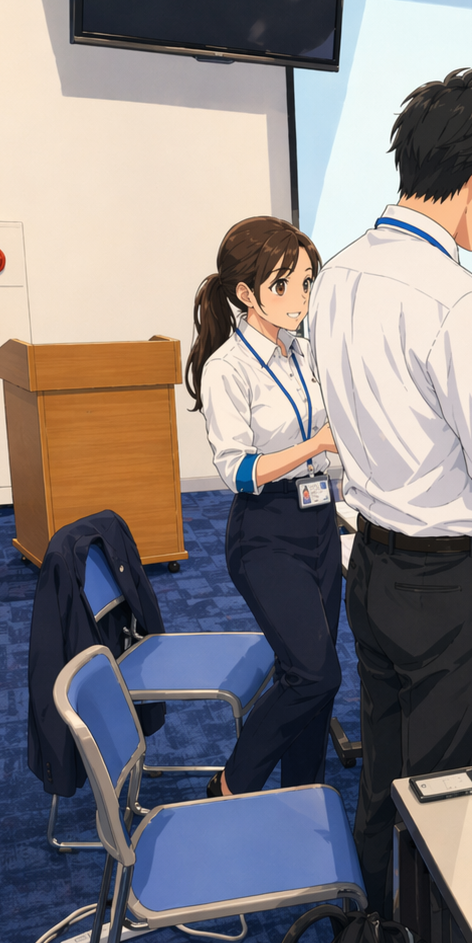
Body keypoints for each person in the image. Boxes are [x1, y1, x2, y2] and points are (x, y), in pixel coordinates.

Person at [310, 67, 472, 915]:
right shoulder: (460, 298)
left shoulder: (338, 272)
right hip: (454, 582)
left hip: (375, 564)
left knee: (388, 773)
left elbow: (400, 401)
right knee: (450, 795)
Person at [186, 216, 340, 798]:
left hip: (321, 518)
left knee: (314, 675)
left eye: (306, 282)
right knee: (314, 674)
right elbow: (239, 471)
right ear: (246, 294)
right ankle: (234, 782)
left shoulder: (307, 353)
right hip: (266, 531)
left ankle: (304, 793)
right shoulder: (228, 368)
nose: (300, 297)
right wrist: (316, 445)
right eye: (284, 284)